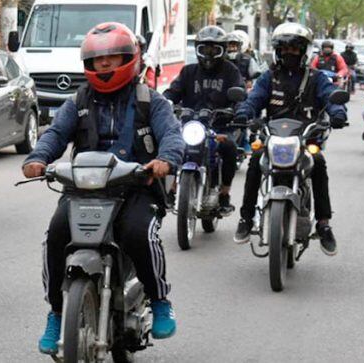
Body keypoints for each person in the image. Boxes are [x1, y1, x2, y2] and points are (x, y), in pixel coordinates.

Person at [21, 22, 185, 355]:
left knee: (140, 234)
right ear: (89, 64)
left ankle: (159, 300)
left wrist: (165, 159)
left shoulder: (150, 102)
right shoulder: (78, 101)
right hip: (85, 190)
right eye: (98, 59)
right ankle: (55, 312)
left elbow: (171, 134)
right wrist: (38, 157)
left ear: (129, 58)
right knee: (55, 236)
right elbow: (54, 134)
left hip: (137, 188)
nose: (105, 64)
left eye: (112, 57)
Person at [233, 22, 347, 256]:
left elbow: (331, 98)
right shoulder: (268, 77)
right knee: (255, 160)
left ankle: (324, 224)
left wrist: (337, 113)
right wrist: (245, 112)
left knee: (319, 164)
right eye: (284, 49)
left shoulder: (317, 78)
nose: (289, 53)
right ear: (277, 51)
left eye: (294, 49)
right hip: (274, 136)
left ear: (304, 51)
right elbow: (254, 99)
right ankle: (245, 218)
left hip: (305, 137)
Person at [164, 25, 243, 215]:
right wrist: (165, 101)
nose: (209, 54)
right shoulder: (188, 71)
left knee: (230, 147)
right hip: (191, 124)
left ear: (223, 51)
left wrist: (237, 111)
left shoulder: (231, 71)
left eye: (214, 49)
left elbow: (240, 94)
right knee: (170, 147)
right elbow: (172, 92)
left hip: (220, 125)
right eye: (204, 49)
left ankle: (224, 194)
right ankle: (172, 189)